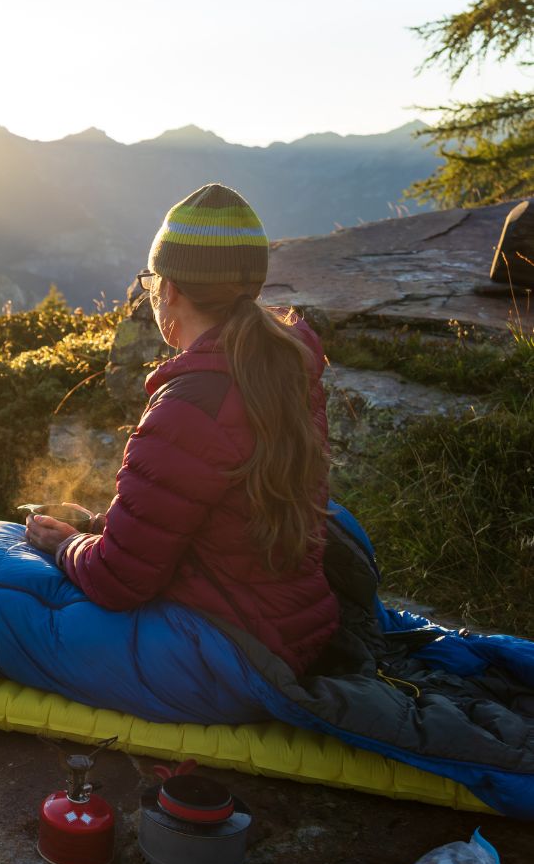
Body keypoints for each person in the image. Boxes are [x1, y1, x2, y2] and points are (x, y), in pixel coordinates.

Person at [24, 183, 338, 675]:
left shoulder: (189, 406)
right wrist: (108, 528)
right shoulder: (284, 367)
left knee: (9, 610)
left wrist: (64, 546)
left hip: (228, 654)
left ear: (169, 289)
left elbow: (117, 582)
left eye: (152, 282)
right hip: (295, 630)